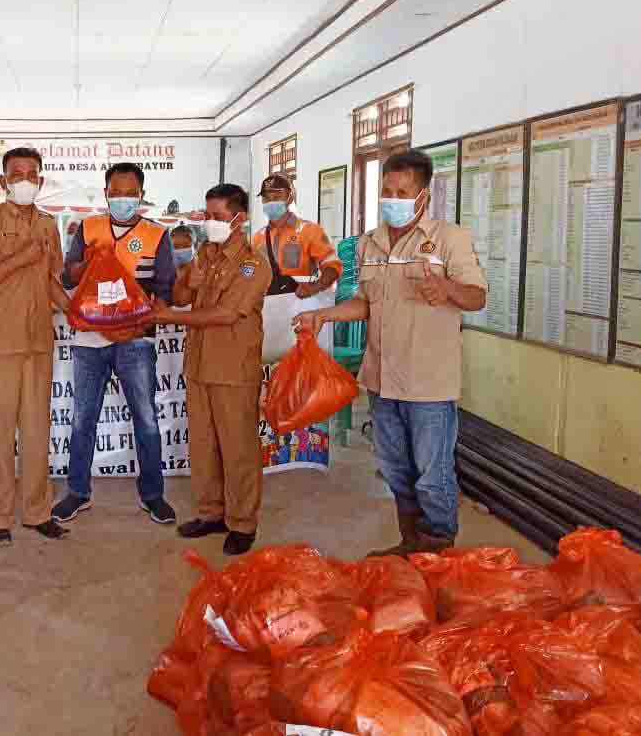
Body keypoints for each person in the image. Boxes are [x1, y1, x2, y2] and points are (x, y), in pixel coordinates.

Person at [294, 149, 487, 556]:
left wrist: (448, 289)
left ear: (423, 196)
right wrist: (324, 315)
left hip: (429, 383)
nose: (392, 199)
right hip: (381, 378)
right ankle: (410, 544)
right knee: (397, 471)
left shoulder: (450, 240)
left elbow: (477, 296)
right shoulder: (371, 244)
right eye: (387, 190)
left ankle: (439, 554)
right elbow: (366, 301)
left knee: (432, 476)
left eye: (403, 191)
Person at [145, 184, 272, 555]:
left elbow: (228, 313)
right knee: (202, 446)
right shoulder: (205, 253)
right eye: (207, 216)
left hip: (233, 366)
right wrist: (188, 281)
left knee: (238, 448)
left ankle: (242, 522)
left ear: (240, 218)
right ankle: (211, 512)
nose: (210, 223)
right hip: (199, 365)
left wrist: (170, 316)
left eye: (218, 217)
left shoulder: (253, 263)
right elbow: (183, 296)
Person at [51, 162, 178, 526]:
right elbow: (68, 275)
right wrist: (88, 261)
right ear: (106, 193)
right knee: (82, 418)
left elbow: (165, 290)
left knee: (147, 419)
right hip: (89, 339)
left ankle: (152, 495)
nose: (122, 198)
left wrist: (139, 326)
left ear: (141, 193)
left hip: (136, 340)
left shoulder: (156, 234)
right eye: (116, 191)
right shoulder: (88, 228)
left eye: (130, 191)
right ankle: (78, 492)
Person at [0, 147, 72, 547]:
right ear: (4, 181)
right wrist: (20, 258)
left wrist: (76, 311)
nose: (24, 180)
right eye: (16, 174)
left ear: (40, 181)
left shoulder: (48, 225)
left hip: (38, 342)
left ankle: (38, 512)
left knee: (38, 433)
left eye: (32, 174)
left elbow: (48, 281)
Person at [253, 172, 342, 297]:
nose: (271, 202)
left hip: (301, 305)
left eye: (277, 196)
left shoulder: (310, 231)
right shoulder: (258, 237)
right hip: (267, 308)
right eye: (266, 198)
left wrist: (316, 286)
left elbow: (332, 266)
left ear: (290, 197)